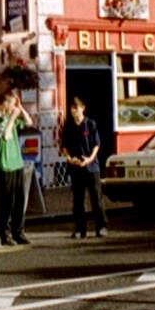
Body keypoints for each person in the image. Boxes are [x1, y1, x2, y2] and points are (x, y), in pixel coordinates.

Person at [0, 90, 34, 246]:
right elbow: (5, 136)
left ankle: (18, 231)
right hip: (5, 166)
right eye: (12, 103)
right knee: (6, 202)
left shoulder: (10, 118)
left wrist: (21, 109)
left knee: (19, 200)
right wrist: (12, 118)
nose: (13, 107)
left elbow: (29, 123)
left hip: (17, 163)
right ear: (4, 102)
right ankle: (4, 233)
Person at [59, 96, 108, 239]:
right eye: (72, 108)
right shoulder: (68, 126)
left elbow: (96, 145)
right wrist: (69, 159)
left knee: (96, 199)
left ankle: (102, 226)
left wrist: (89, 159)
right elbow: (64, 147)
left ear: (83, 108)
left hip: (91, 167)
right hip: (76, 167)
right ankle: (80, 229)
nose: (74, 111)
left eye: (76, 108)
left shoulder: (90, 124)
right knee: (78, 200)